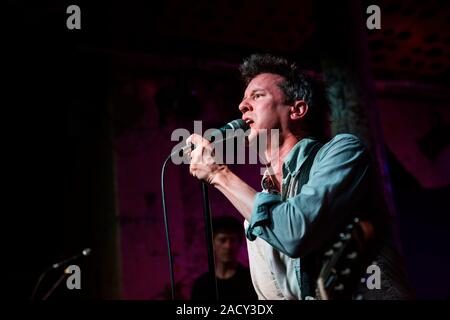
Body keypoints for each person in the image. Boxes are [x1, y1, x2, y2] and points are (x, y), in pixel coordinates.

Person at [186, 54, 413, 299]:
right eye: (243, 99)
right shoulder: (260, 207)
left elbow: (295, 231)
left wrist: (219, 174)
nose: (243, 106)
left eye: (257, 95)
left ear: (297, 110)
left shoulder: (344, 152)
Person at [191, 216, 257, 301]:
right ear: (213, 244)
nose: (228, 246)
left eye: (232, 240)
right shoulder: (202, 284)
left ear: (239, 243)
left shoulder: (250, 280)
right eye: (222, 240)